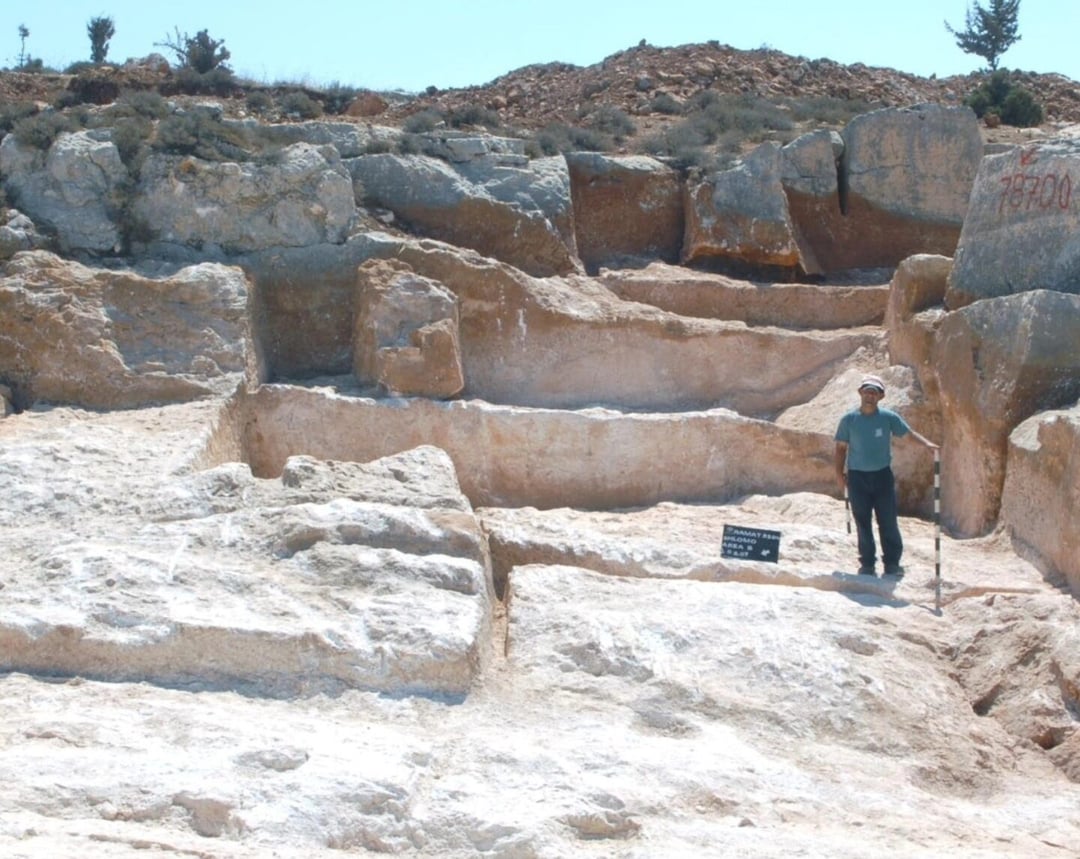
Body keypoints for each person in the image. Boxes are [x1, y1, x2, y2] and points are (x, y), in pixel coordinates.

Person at [834, 374, 939, 578]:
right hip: (857, 478)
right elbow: (840, 449)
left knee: (888, 519)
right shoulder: (848, 420)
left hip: (882, 476)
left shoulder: (888, 418)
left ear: (881, 396)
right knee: (862, 520)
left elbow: (908, 433)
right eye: (867, 391)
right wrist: (839, 475)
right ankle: (867, 564)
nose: (870, 396)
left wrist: (927, 444)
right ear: (860, 393)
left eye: (874, 392)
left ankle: (892, 563)